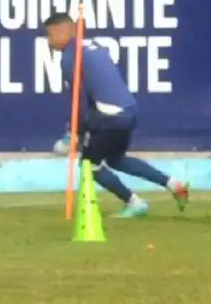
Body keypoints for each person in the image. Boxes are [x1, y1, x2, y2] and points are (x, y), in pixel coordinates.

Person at [43, 12, 189, 219]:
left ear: (62, 32)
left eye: (50, 36)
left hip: (108, 115)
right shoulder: (93, 46)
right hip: (128, 110)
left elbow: (79, 102)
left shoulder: (69, 58)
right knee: (115, 159)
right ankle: (174, 184)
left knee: (89, 165)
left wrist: (71, 136)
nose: (49, 42)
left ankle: (135, 203)